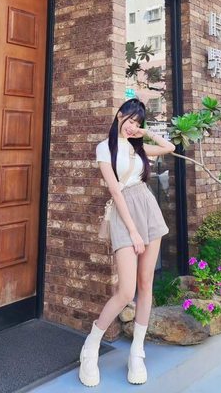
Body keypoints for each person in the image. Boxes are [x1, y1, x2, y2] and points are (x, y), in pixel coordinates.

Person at [79, 98, 175, 387]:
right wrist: (132, 231)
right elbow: (115, 191)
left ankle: (137, 352)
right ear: (119, 114)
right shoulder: (104, 148)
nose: (132, 126)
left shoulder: (138, 146)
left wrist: (146, 133)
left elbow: (170, 147)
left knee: (146, 284)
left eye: (137, 122)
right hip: (124, 216)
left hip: (148, 207)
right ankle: (91, 346)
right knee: (125, 291)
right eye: (130, 120)